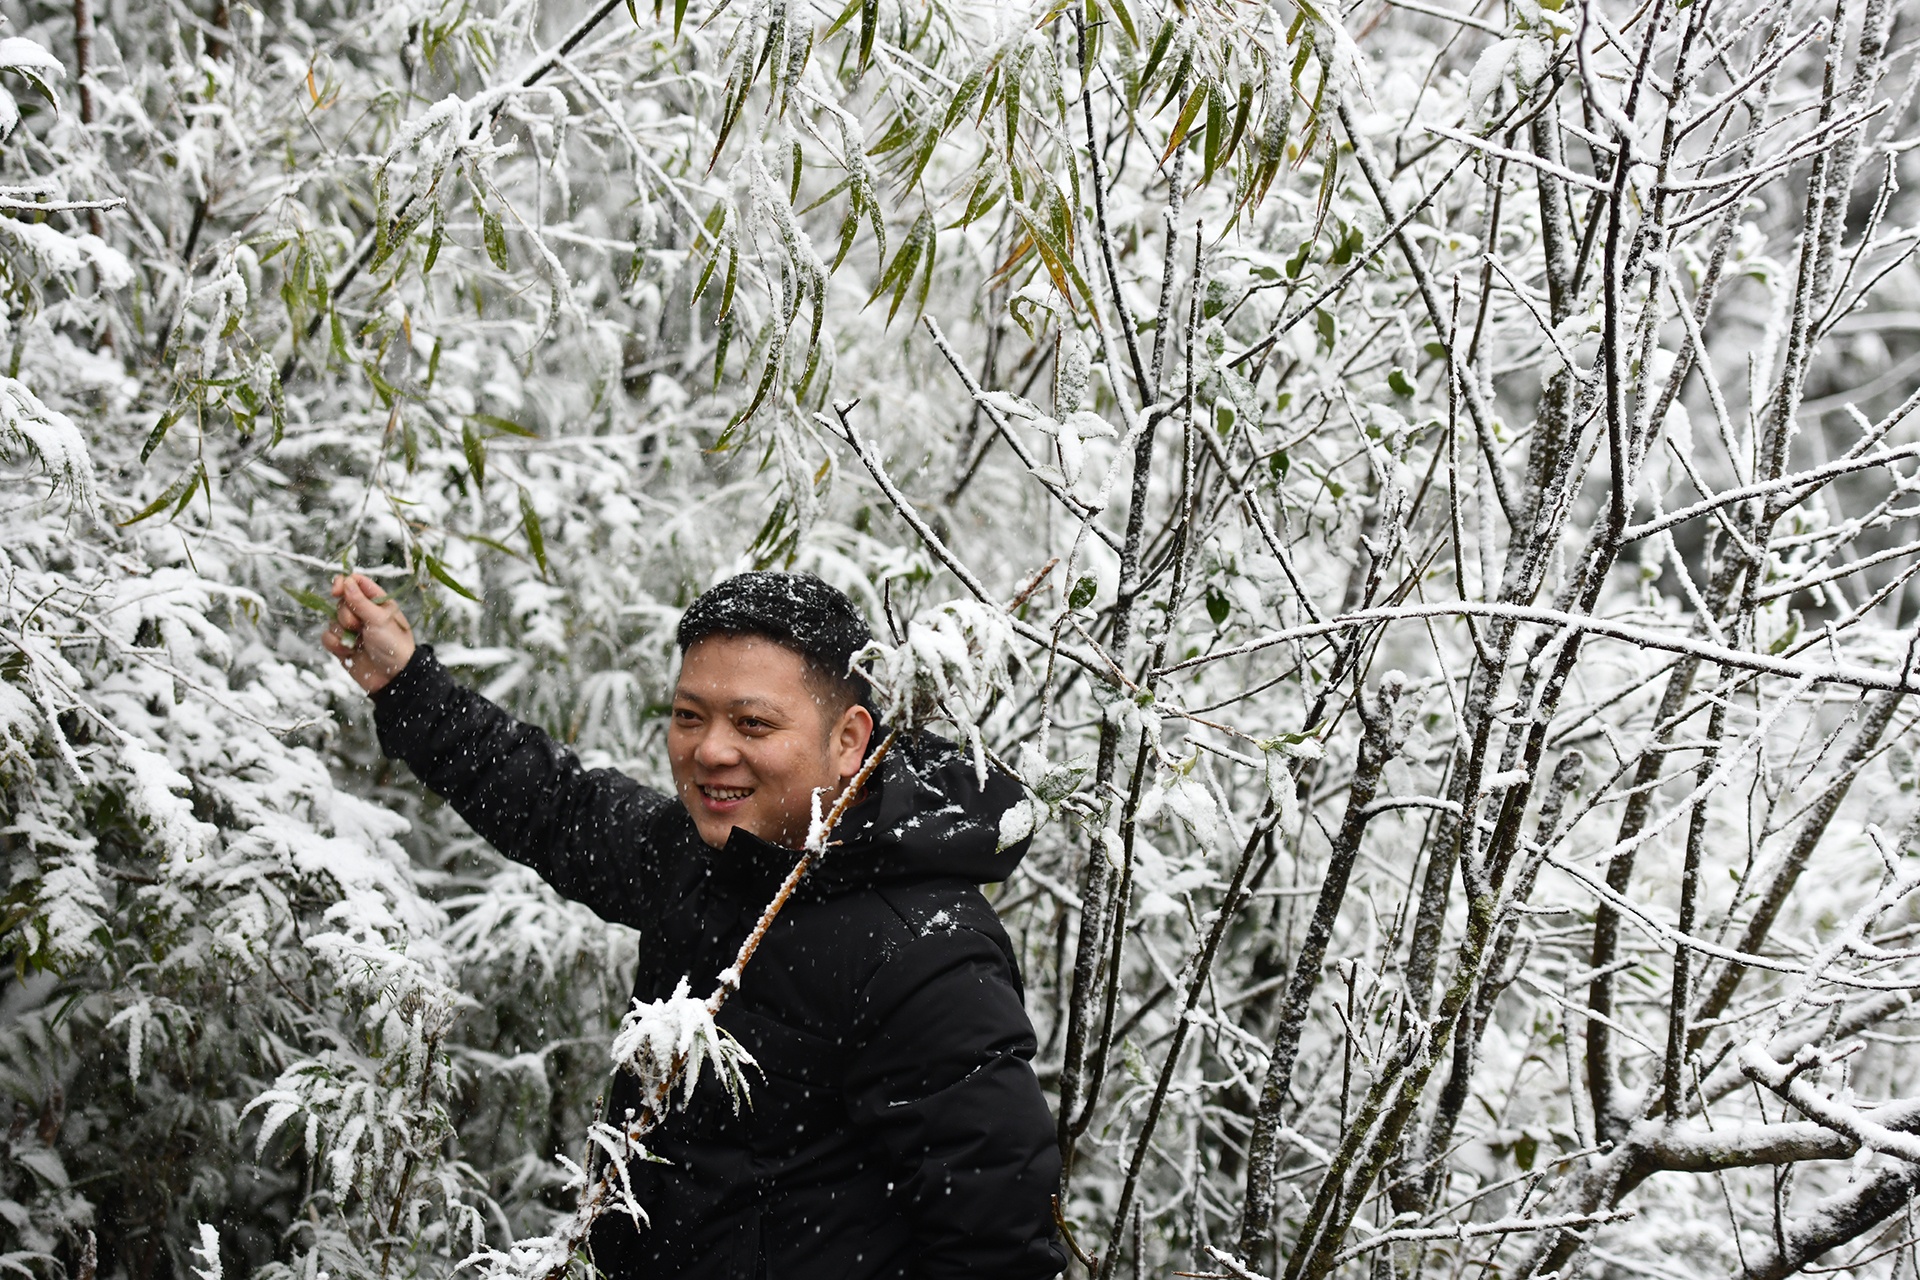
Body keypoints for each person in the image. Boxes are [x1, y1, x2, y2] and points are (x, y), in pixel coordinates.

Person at [320, 570, 1067, 1280]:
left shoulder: (924, 953)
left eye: (753, 723)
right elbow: (554, 806)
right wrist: (407, 682)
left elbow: (995, 1243)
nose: (709, 750)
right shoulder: (712, 860)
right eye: (688, 716)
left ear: (848, 740)